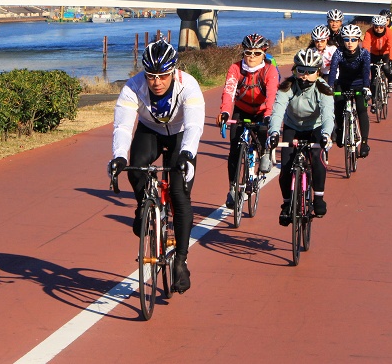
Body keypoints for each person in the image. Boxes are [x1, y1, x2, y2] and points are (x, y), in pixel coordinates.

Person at [108, 40, 205, 294]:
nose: (157, 82)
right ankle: (144, 206)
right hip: (149, 130)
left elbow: (194, 126)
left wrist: (187, 154)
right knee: (136, 166)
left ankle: (181, 262)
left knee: (179, 194)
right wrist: (118, 157)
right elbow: (123, 126)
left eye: (163, 75)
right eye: (151, 76)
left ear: (173, 71)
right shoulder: (133, 87)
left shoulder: (189, 86)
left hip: (180, 135)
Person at [268, 48, 334, 224]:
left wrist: (326, 135)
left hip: (316, 127)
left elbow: (328, 115)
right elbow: (277, 111)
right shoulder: (287, 87)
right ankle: (287, 203)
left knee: (317, 157)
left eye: (311, 72)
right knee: (286, 166)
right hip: (292, 126)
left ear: (318, 73)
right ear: (294, 70)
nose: (305, 75)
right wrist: (274, 132)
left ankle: (318, 197)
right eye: (301, 70)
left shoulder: (324, 89)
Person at [217, 33, 279, 209]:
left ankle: (265, 152)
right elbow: (229, 91)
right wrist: (225, 113)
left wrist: (268, 116)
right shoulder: (235, 68)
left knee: (261, 139)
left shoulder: (269, 70)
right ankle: (232, 189)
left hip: (261, 112)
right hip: (241, 110)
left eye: (257, 53)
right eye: (248, 52)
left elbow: (272, 95)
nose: (252, 56)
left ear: (263, 53)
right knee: (235, 151)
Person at [328, 24, 372, 158]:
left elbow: (366, 71)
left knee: (361, 109)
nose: (350, 43)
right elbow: (333, 70)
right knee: (338, 107)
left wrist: (366, 87)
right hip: (343, 84)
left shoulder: (364, 53)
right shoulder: (338, 52)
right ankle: (340, 128)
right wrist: (330, 87)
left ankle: (364, 143)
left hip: (359, 85)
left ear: (359, 40)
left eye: (353, 39)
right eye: (346, 39)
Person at [362, 15, 392, 100]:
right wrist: (365, 59)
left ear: (384, 26)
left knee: (386, 68)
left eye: (381, 27)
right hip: (374, 54)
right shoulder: (369, 32)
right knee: (373, 78)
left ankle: (391, 81)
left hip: (385, 53)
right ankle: (374, 101)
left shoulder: (389, 32)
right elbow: (366, 46)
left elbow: (391, 46)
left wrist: (391, 59)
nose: (378, 29)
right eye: (376, 27)